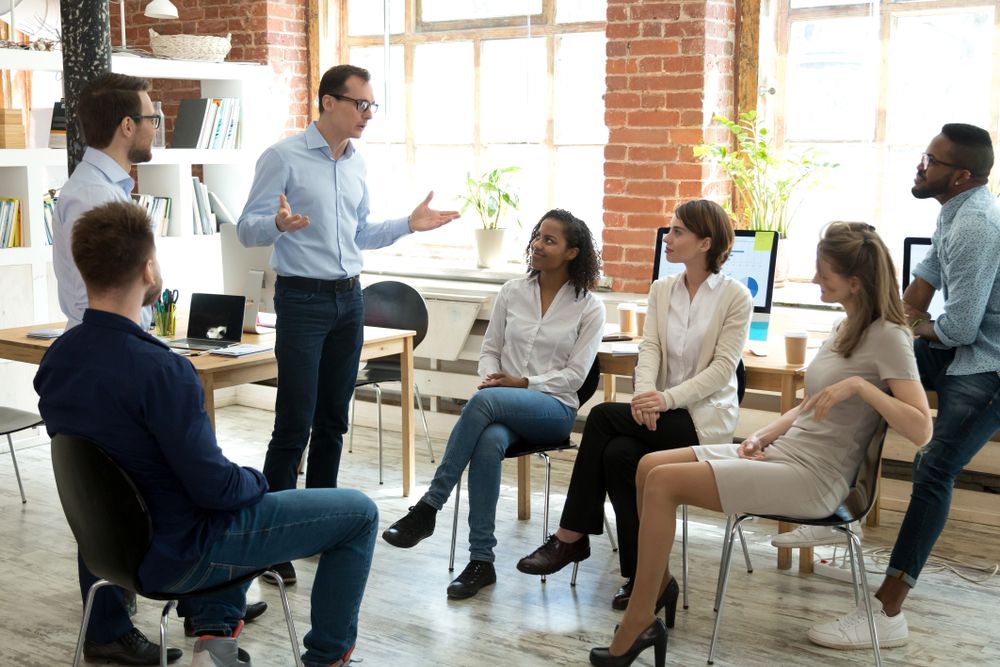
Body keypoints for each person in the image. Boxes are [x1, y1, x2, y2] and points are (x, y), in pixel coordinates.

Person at [35, 201, 379, 667]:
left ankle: (215, 646)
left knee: (227, 499)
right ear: (148, 268)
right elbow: (216, 488)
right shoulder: (163, 370)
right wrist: (257, 480)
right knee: (356, 512)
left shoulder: (58, 360)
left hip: (111, 555)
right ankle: (327, 659)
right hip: (180, 557)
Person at [587, 223, 932, 666]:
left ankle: (638, 623)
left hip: (815, 479)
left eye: (823, 275)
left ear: (855, 283)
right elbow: (813, 403)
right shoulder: (845, 325)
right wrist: (767, 431)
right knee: (647, 466)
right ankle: (660, 584)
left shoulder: (889, 336)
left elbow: (922, 430)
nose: (814, 281)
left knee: (663, 483)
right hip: (786, 454)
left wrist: (862, 390)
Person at [236, 64, 458, 585]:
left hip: (348, 300)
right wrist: (277, 224)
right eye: (360, 104)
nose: (367, 115)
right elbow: (246, 228)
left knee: (335, 418)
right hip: (303, 301)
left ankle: (319, 526)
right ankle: (273, 542)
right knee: (294, 422)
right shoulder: (282, 156)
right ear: (328, 102)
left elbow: (360, 233)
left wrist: (408, 224)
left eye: (371, 106)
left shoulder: (356, 164)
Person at [807, 124, 1000, 650]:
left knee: (933, 464)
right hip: (959, 349)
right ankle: (816, 497)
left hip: (988, 363)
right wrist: (887, 331)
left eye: (932, 160)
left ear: (962, 175)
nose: (921, 165)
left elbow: (957, 329)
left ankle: (886, 611)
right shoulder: (953, 212)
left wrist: (899, 330)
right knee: (858, 365)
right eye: (924, 155)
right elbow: (919, 292)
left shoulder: (978, 225)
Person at [516, 199, 753, 610]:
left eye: (678, 231)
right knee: (619, 455)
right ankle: (647, 580)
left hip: (701, 422)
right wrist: (647, 395)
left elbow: (721, 371)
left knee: (605, 416)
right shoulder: (663, 289)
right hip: (659, 413)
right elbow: (651, 351)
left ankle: (571, 535)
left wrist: (663, 398)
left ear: (705, 243)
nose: (669, 237)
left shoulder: (735, 297)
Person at [380, 210, 605, 599]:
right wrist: (492, 377)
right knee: (486, 444)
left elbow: (575, 376)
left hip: (553, 409)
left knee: (485, 403)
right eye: (538, 236)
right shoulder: (512, 292)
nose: (537, 244)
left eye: (550, 240)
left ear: (573, 252)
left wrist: (521, 383)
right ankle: (481, 562)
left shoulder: (589, 307)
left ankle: (430, 506)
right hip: (502, 404)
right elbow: (490, 352)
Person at [49, 72, 184, 665]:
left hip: (120, 346)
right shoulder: (91, 195)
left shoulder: (106, 186)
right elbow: (93, 291)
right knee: (108, 494)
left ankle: (207, 594)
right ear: (128, 125)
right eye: (153, 118)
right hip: (109, 355)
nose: (157, 127)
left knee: (141, 484)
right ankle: (107, 629)